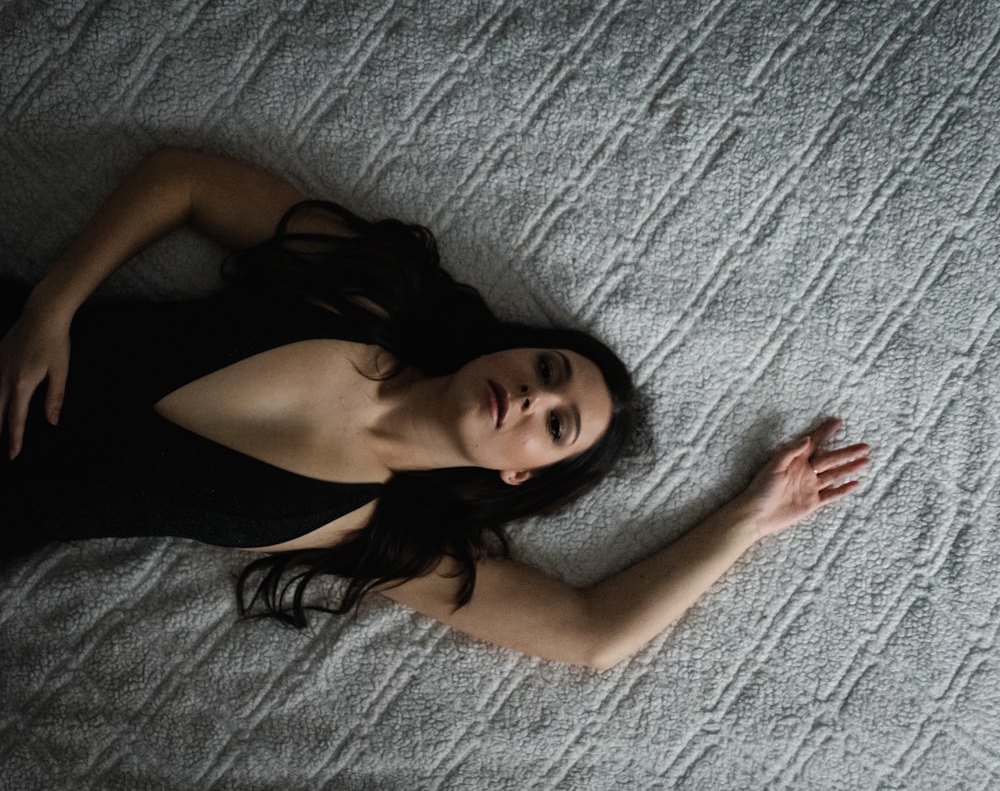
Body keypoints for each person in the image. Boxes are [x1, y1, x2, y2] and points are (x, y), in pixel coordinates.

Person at [0, 147, 869, 670]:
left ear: (517, 470)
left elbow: (590, 632)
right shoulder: (367, 298)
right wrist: (53, 304)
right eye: (547, 367)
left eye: (555, 421)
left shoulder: (376, 535)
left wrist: (750, 518)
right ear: (510, 346)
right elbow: (182, 180)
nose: (535, 393)